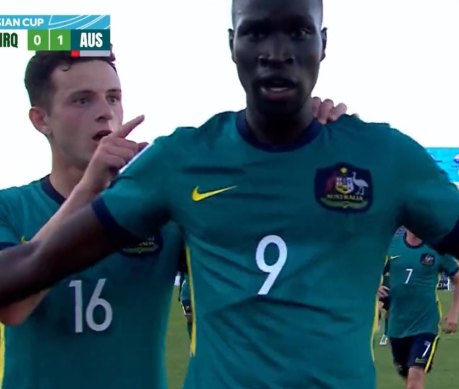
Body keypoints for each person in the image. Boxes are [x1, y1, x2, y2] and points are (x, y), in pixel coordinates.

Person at [1, 0, 459, 387]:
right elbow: (41, 260)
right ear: (232, 44)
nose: (277, 50)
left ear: (322, 43)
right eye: (257, 31)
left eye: (297, 31)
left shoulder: (383, 158)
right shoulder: (182, 161)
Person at [0, 49, 347, 389]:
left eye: (113, 97)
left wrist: (301, 147)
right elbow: (12, 306)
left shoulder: (157, 208)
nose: (105, 112)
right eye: (82, 100)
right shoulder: (10, 207)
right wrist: (89, 190)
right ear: (41, 119)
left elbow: (267, 245)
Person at [382, 229, 459, 389]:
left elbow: (458, 281)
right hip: (397, 326)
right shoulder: (392, 246)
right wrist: (375, 285)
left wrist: (454, 313)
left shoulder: (437, 248)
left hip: (425, 325)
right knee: (408, 379)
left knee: (414, 378)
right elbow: (371, 271)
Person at [378, 257, 391, 346]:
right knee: (377, 308)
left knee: (388, 313)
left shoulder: (392, 259)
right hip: (381, 289)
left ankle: (386, 334)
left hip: (391, 288)